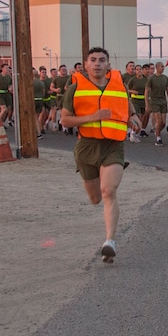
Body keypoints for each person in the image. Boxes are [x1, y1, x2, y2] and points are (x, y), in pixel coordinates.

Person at [59, 47, 130, 263]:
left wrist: (134, 115)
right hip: (87, 146)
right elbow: (65, 121)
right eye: (93, 60)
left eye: (102, 60)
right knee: (95, 198)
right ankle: (108, 237)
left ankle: (110, 241)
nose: (97, 63)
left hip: (113, 144)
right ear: (86, 65)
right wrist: (93, 117)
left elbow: (127, 103)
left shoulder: (118, 84)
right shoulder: (75, 88)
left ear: (108, 64)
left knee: (108, 191)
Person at [146, 61, 168, 146]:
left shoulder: (165, 78)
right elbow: (147, 90)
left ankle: (157, 131)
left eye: (163, 67)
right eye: (161, 67)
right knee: (159, 120)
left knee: (163, 122)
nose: (163, 68)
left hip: (163, 101)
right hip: (155, 101)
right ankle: (158, 138)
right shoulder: (152, 78)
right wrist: (147, 104)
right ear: (157, 67)